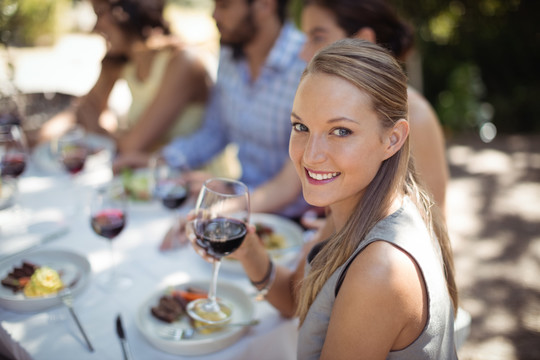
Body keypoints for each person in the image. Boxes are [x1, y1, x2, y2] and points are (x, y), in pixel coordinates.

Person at [191, 39, 459, 358]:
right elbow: (295, 301)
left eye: (340, 131)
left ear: (393, 139)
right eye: (300, 126)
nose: (311, 155)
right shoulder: (356, 207)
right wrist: (248, 250)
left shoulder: (379, 270)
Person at [114, 0, 310, 249]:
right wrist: (160, 161)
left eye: (225, 5)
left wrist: (223, 205)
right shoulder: (231, 53)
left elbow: (291, 184)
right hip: (241, 204)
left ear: (264, 6)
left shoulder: (307, 62)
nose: (214, 15)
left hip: (293, 226)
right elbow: (215, 131)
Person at [298, 0, 449, 228]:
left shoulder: (416, 116)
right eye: (300, 127)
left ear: (362, 41)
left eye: (317, 38)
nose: (303, 53)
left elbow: (433, 222)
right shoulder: (328, 107)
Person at [39, 0, 233, 176]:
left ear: (127, 11)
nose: (95, 27)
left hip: (192, 184)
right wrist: (36, 139)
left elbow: (131, 147)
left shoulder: (182, 62)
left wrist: (98, 128)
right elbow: (80, 110)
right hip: (142, 177)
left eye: (100, 13)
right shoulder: (121, 61)